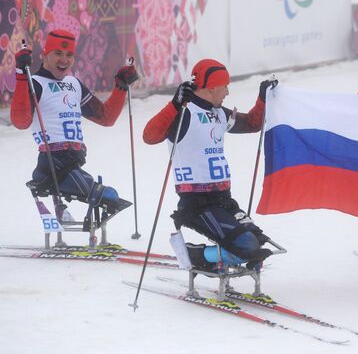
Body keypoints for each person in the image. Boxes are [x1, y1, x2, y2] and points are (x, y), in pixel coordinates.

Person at [143, 58, 277, 271]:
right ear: (212, 87)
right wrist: (174, 104)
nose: (227, 93)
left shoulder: (220, 114)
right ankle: (194, 255)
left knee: (258, 241)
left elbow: (252, 123)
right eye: (225, 87)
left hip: (223, 200)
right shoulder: (185, 113)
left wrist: (263, 99)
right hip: (197, 203)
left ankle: (221, 255)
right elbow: (149, 136)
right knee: (246, 246)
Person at [11, 29, 138, 217]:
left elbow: (106, 117)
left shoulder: (74, 84)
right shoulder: (35, 83)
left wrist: (120, 86)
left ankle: (92, 232)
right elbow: (20, 121)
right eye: (58, 54)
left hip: (72, 163)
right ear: (45, 54)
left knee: (105, 194)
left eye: (69, 55)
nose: (64, 60)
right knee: (102, 194)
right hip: (53, 165)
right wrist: (22, 74)